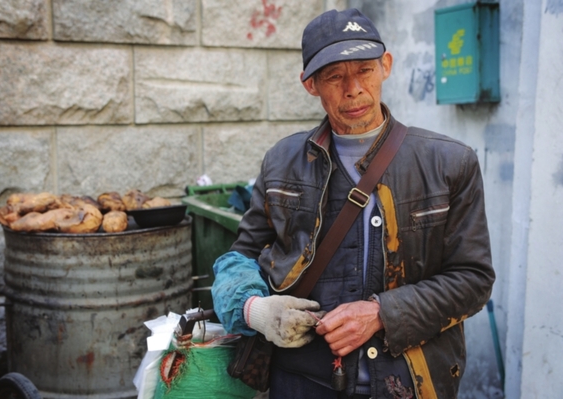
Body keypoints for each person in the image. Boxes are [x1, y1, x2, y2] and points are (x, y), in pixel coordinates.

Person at [212, 8, 495, 399]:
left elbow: (473, 280)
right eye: (334, 76)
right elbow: (237, 259)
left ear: (386, 66)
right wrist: (255, 310)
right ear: (310, 84)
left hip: (411, 383)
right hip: (300, 383)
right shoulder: (281, 161)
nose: (353, 89)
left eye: (364, 70)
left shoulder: (449, 162)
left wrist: (382, 313)